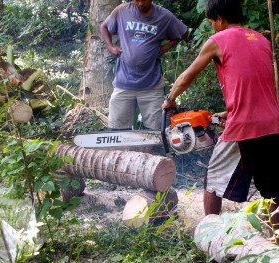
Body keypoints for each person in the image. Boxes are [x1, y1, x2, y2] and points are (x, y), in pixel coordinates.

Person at [163, 0, 279, 234]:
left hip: (244, 126)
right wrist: (230, 111)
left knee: (213, 180)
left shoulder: (218, 40)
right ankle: (275, 240)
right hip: (273, 123)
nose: (213, 27)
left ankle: (210, 235)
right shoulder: (262, 39)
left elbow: (187, 76)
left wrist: (170, 99)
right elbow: (258, 85)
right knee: (273, 189)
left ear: (220, 19)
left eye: (212, 22)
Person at [100, 0, 188, 131]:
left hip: (151, 84)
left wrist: (165, 47)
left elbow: (183, 32)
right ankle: (122, 152)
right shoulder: (122, 11)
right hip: (123, 82)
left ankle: (148, 152)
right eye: (137, 0)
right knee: (117, 129)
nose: (140, 3)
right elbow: (104, 26)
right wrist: (110, 47)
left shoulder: (163, 16)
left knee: (155, 130)